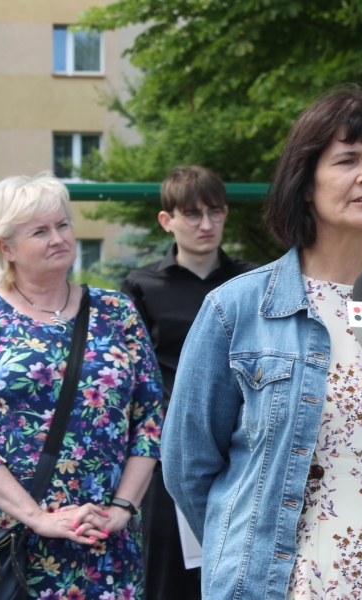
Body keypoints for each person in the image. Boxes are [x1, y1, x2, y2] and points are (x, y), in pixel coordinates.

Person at [161, 86, 362, 599]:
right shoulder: (237, 309)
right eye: (347, 159)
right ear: (305, 183)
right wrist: (242, 552)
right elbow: (188, 466)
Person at [0, 174, 164, 599]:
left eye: (63, 225)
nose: (58, 238)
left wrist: (122, 507)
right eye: (40, 231)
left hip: (103, 540)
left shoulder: (117, 312)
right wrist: (37, 517)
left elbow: (150, 419)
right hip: (9, 544)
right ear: (6, 247)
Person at [121, 165, 257, 599]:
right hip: (171, 454)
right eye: (192, 214)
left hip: (244, 447)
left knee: (242, 569)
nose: (206, 224)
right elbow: (133, 379)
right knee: (168, 578)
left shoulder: (252, 282)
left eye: (215, 212)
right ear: (167, 220)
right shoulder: (141, 286)